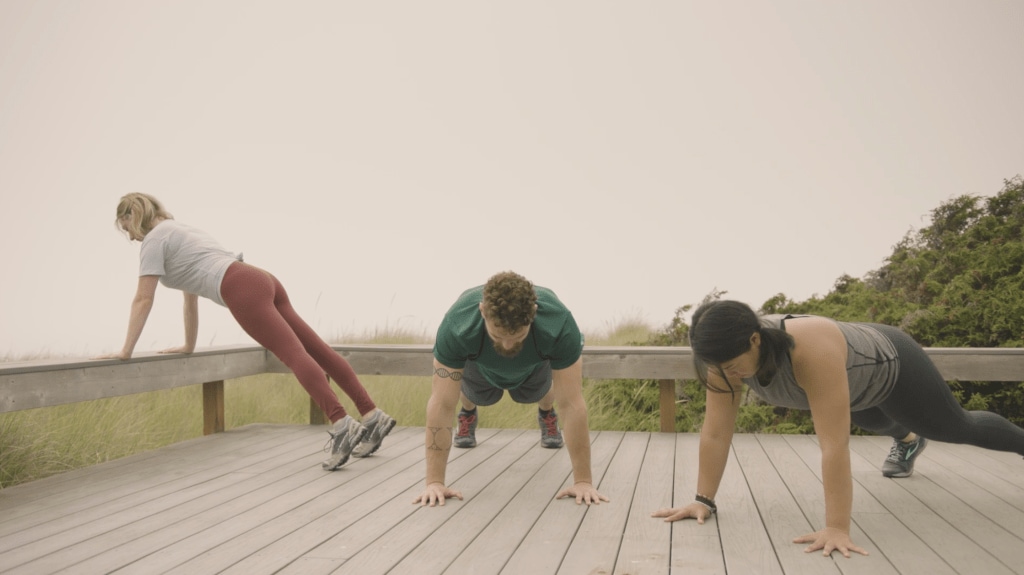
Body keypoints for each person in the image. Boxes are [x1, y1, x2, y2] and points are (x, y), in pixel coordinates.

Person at [652, 300, 1024, 558]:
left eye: (733, 365)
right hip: (859, 392)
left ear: (755, 339)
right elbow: (716, 433)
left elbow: (833, 446)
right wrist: (703, 500)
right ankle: (908, 440)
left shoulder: (809, 350)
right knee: (871, 418)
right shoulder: (722, 356)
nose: (729, 375)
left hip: (893, 365)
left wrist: (836, 528)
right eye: (720, 367)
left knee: (957, 427)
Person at [94, 193, 395, 470]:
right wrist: (188, 344)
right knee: (318, 350)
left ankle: (342, 424)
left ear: (131, 216)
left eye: (126, 228)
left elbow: (143, 298)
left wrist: (125, 351)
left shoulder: (153, 241)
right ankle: (371, 415)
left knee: (294, 356)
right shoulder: (180, 231)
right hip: (260, 278)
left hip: (241, 288)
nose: (131, 238)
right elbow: (190, 296)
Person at [413, 271, 608, 507]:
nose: (507, 345)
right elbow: (442, 403)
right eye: (498, 334)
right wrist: (434, 482)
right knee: (459, 390)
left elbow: (571, 404)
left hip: (534, 367)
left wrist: (583, 482)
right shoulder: (457, 324)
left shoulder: (559, 323)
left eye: (517, 336)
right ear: (482, 310)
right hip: (479, 367)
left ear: (533, 314)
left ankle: (546, 413)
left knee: (547, 392)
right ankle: (468, 413)